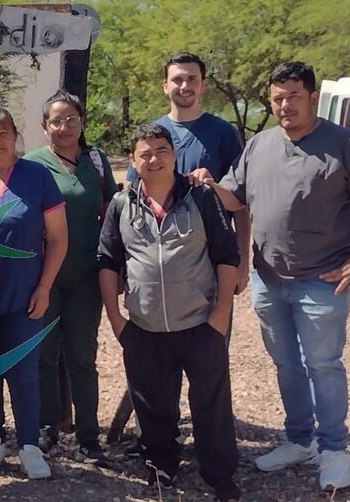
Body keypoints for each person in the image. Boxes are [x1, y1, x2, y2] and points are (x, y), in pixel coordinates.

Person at [207, 62, 350, 491]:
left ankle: (335, 450)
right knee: (286, 364)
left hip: (322, 280)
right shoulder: (259, 145)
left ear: (312, 98)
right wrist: (207, 184)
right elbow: (234, 199)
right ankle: (299, 440)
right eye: (277, 98)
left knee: (323, 365)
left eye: (293, 96)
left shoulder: (346, 143)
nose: (285, 105)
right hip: (269, 278)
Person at [98, 123, 241, 502]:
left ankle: (219, 473)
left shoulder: (201, 197)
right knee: (153, 403)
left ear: (174, 155)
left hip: (199, 322)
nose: (154, 159)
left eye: (161, 150)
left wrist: (221, 312)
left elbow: (226, 254)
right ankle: (161, 464)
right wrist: (115, 319)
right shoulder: (121, 204)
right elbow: (108, 261)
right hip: (144, 326)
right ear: (132, 161)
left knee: (211, 403)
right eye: (144, 153)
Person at [124, 52, 250, 459]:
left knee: (208, 361)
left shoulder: (222, 134)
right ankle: (161, 445)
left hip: (209, 269)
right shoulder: (153, 135)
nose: (184, 86)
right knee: (158, 370)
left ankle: (214, 449)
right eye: (177, 79)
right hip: (159, 276)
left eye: (192, 79)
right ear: (165, 85)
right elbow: (132, 201)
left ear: (203, 84)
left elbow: (241, 203)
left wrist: (242, 260)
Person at [0, 106, 67, 480]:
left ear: (15, 136)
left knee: (24, 372)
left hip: (25, 293)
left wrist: (44, 287)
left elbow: (57, 238)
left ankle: (29, 445)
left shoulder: (37, 176)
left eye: (3, 134)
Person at [25, 90, 115, 463]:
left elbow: (110, 215)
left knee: (82, 357)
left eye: (71, 120)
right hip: (43, 276)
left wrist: (116, 268)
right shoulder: (32, 165)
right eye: (56, 121)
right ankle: (45, 429)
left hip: (86, 276)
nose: (64, 127)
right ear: (45, 126)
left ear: (82, 123)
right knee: (44, 355)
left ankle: (88, 436)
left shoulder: (96, 161)